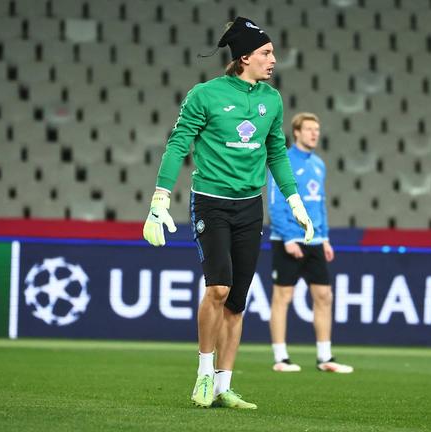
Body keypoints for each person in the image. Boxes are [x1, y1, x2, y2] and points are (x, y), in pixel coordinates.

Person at [142, 17, 313, 410]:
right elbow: (177, 145)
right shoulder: (205, 95)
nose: (274, 59)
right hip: (211, 202)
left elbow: (277, 154)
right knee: (217, 289)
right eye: (267, 53)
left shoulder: (273, 100)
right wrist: (160, 197)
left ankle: (223, 385)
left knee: (237, 301)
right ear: (244, 57)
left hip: (251, 207)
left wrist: (294, 200)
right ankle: (203, 373)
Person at [267, 112, 353, 374]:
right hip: (289, 239)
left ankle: (324, 356)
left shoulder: (319, 164)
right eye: (309, 129)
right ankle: (281, 357)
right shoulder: (283, 161)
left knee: (324, 296)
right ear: (296, 132)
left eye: (317, 129)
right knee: (283, 296)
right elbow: (275, 203)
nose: (315, 133)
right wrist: (288, 238)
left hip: (315, 240)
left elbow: (320, 204)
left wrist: (325, 237)